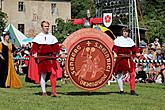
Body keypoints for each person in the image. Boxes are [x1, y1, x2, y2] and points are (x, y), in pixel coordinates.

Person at [28, 21, 62, 97]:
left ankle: (53, 92)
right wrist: (35, 53)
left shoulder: (52, 37)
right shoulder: (38, 37)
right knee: (43, 74)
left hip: (51, 58)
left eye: (47, 26)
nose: (47, 28)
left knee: (53, 74)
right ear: (42, 27)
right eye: (45, 26)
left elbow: (56, 47)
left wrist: (58, 53)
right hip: (42, 58)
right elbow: (34, 48)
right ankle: (44, 92)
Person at [113, 27, 140, 96]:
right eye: (124, 31)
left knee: (132, 74)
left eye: (127, 32)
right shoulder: (118, 39)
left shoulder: (130, 40)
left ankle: (132, 90)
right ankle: (121, 90)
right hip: (121, 59)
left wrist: (137, 53)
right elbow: (115, 49)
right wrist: (115, 53)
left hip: (128, 59)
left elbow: (134, 48)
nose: (125, 33)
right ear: (122, 32)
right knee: (119, 75)